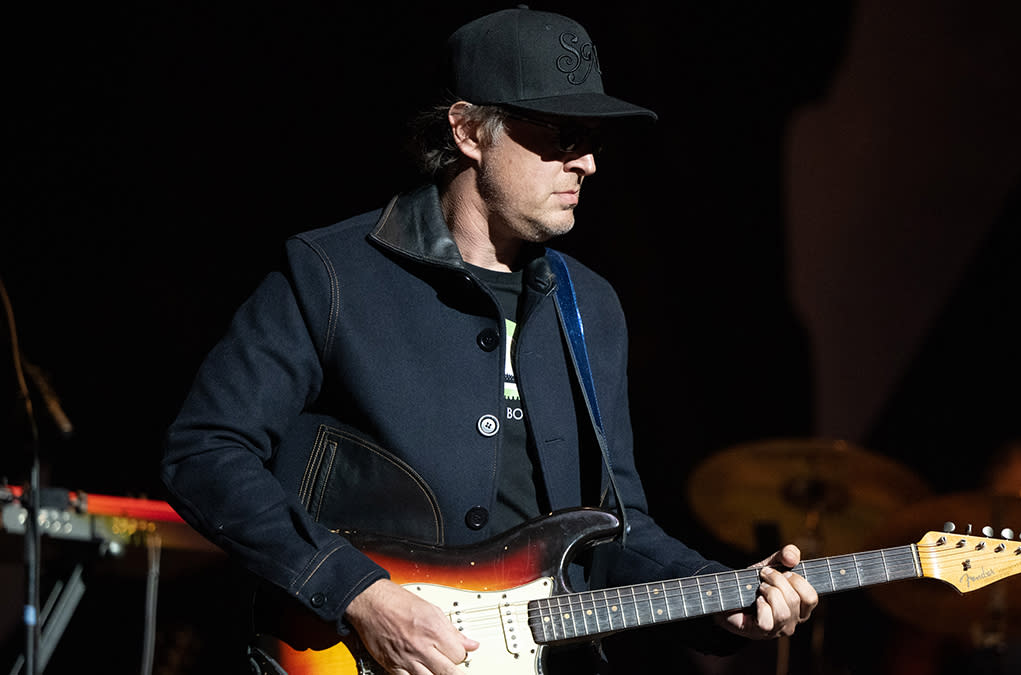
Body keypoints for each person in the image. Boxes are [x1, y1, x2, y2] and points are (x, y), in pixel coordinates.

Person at [160, 6, 817, 674]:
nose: (587, 162)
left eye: (591, 138)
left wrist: (721, 594)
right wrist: (353, 591)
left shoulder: (590, 307)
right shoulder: (330, 273)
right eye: (561, 135)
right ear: (470, 131)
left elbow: (617, 534)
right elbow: (205, 452)